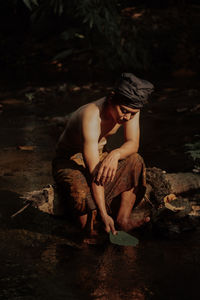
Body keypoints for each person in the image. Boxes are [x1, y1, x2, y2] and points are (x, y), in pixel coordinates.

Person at [52, 73, 154, 236]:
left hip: (99, 153)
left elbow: (133, 143)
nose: (127, 117)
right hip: (69, 160)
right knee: (89, 225)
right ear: (112, 98)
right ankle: (92, 227)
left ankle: (123, 219)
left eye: (132, 114)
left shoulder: (132, 108)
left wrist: (115, 154)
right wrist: (103, 214)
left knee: (135, 160)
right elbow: (95, 174)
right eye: (124, 111)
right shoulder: (91, 116)